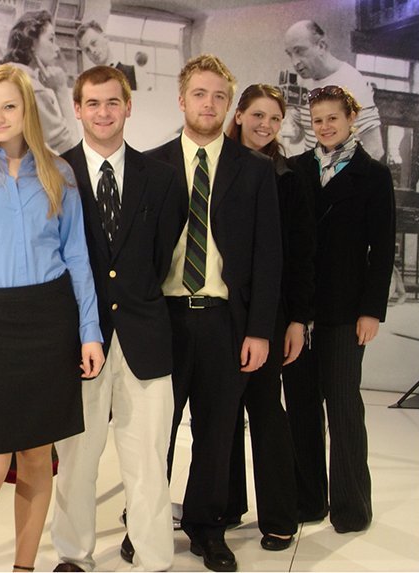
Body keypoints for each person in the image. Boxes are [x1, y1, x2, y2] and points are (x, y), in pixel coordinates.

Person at [0, 63, 105, 572]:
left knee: (36, 458)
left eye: (10, 106)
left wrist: (89, 333)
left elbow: (77, 259)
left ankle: (24, 568)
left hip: (50, 320)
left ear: (27, 110)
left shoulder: (58, 172)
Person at [144, 54, 282, 572]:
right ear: (182, 100)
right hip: (164, 320)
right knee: (156, 431)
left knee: (218, 431)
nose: (209, 104)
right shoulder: (151, 165)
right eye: (200, 94)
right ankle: (148, 523)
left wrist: (260, 331)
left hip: (226, 322)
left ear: (230, 105)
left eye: (219, 96)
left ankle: (207, 527)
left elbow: (269, 258)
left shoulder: (254, 171)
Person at [49, 65, 186, 573]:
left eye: (112, 102)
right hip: (80, 340)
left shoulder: (162, 179)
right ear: (77, 108)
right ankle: (73, 555)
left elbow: (159, 255)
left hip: (145, 338)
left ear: (128, 106)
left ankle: (154, 559)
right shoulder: (55, 172)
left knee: (148, 458)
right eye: (93, 103)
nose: (103, 112)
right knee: (78, 460)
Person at [283, 85, 395, 534]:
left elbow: (381, 248)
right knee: (302, 407)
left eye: (334, 117)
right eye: (318, 119)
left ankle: (351, 507)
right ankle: (309, 501)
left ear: (352, 119)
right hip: (299, 311)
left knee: (344, 406)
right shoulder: (295, 170)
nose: (326, 126)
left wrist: (372, 310)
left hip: (346, 312)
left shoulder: (373, 175)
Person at [223, 84, 316, 551]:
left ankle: (280, 515)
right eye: (257, 115)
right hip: (219, 310)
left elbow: (300, 255)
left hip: (270, 313)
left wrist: (298, 319)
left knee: (265, 411)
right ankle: (226, 505)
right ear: (238, 115)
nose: (265, 125)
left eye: (274, 119)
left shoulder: (288, 175)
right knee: (218, 415)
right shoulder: (213, 164)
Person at [283, 20, 385, 160]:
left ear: (321, 46)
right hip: (310, 176)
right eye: (290, 54)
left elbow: (375, 149)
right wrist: (284, 120)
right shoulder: (303, 82)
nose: (295, 62)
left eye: (299, 51)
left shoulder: (352, 82)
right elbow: (297, 135)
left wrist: (343, 179)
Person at [0, 10, 81, 154]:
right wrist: (61, 89)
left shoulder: (1, 77)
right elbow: (72, 149)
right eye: (51, 39)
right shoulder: (32, 89)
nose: (57, 48)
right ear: (31, 43)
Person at [75, 21, 137, 90]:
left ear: (105, 38)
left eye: (94, 43)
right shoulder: (89, 85)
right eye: (87, 50)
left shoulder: (132, 72)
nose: (92, 51)